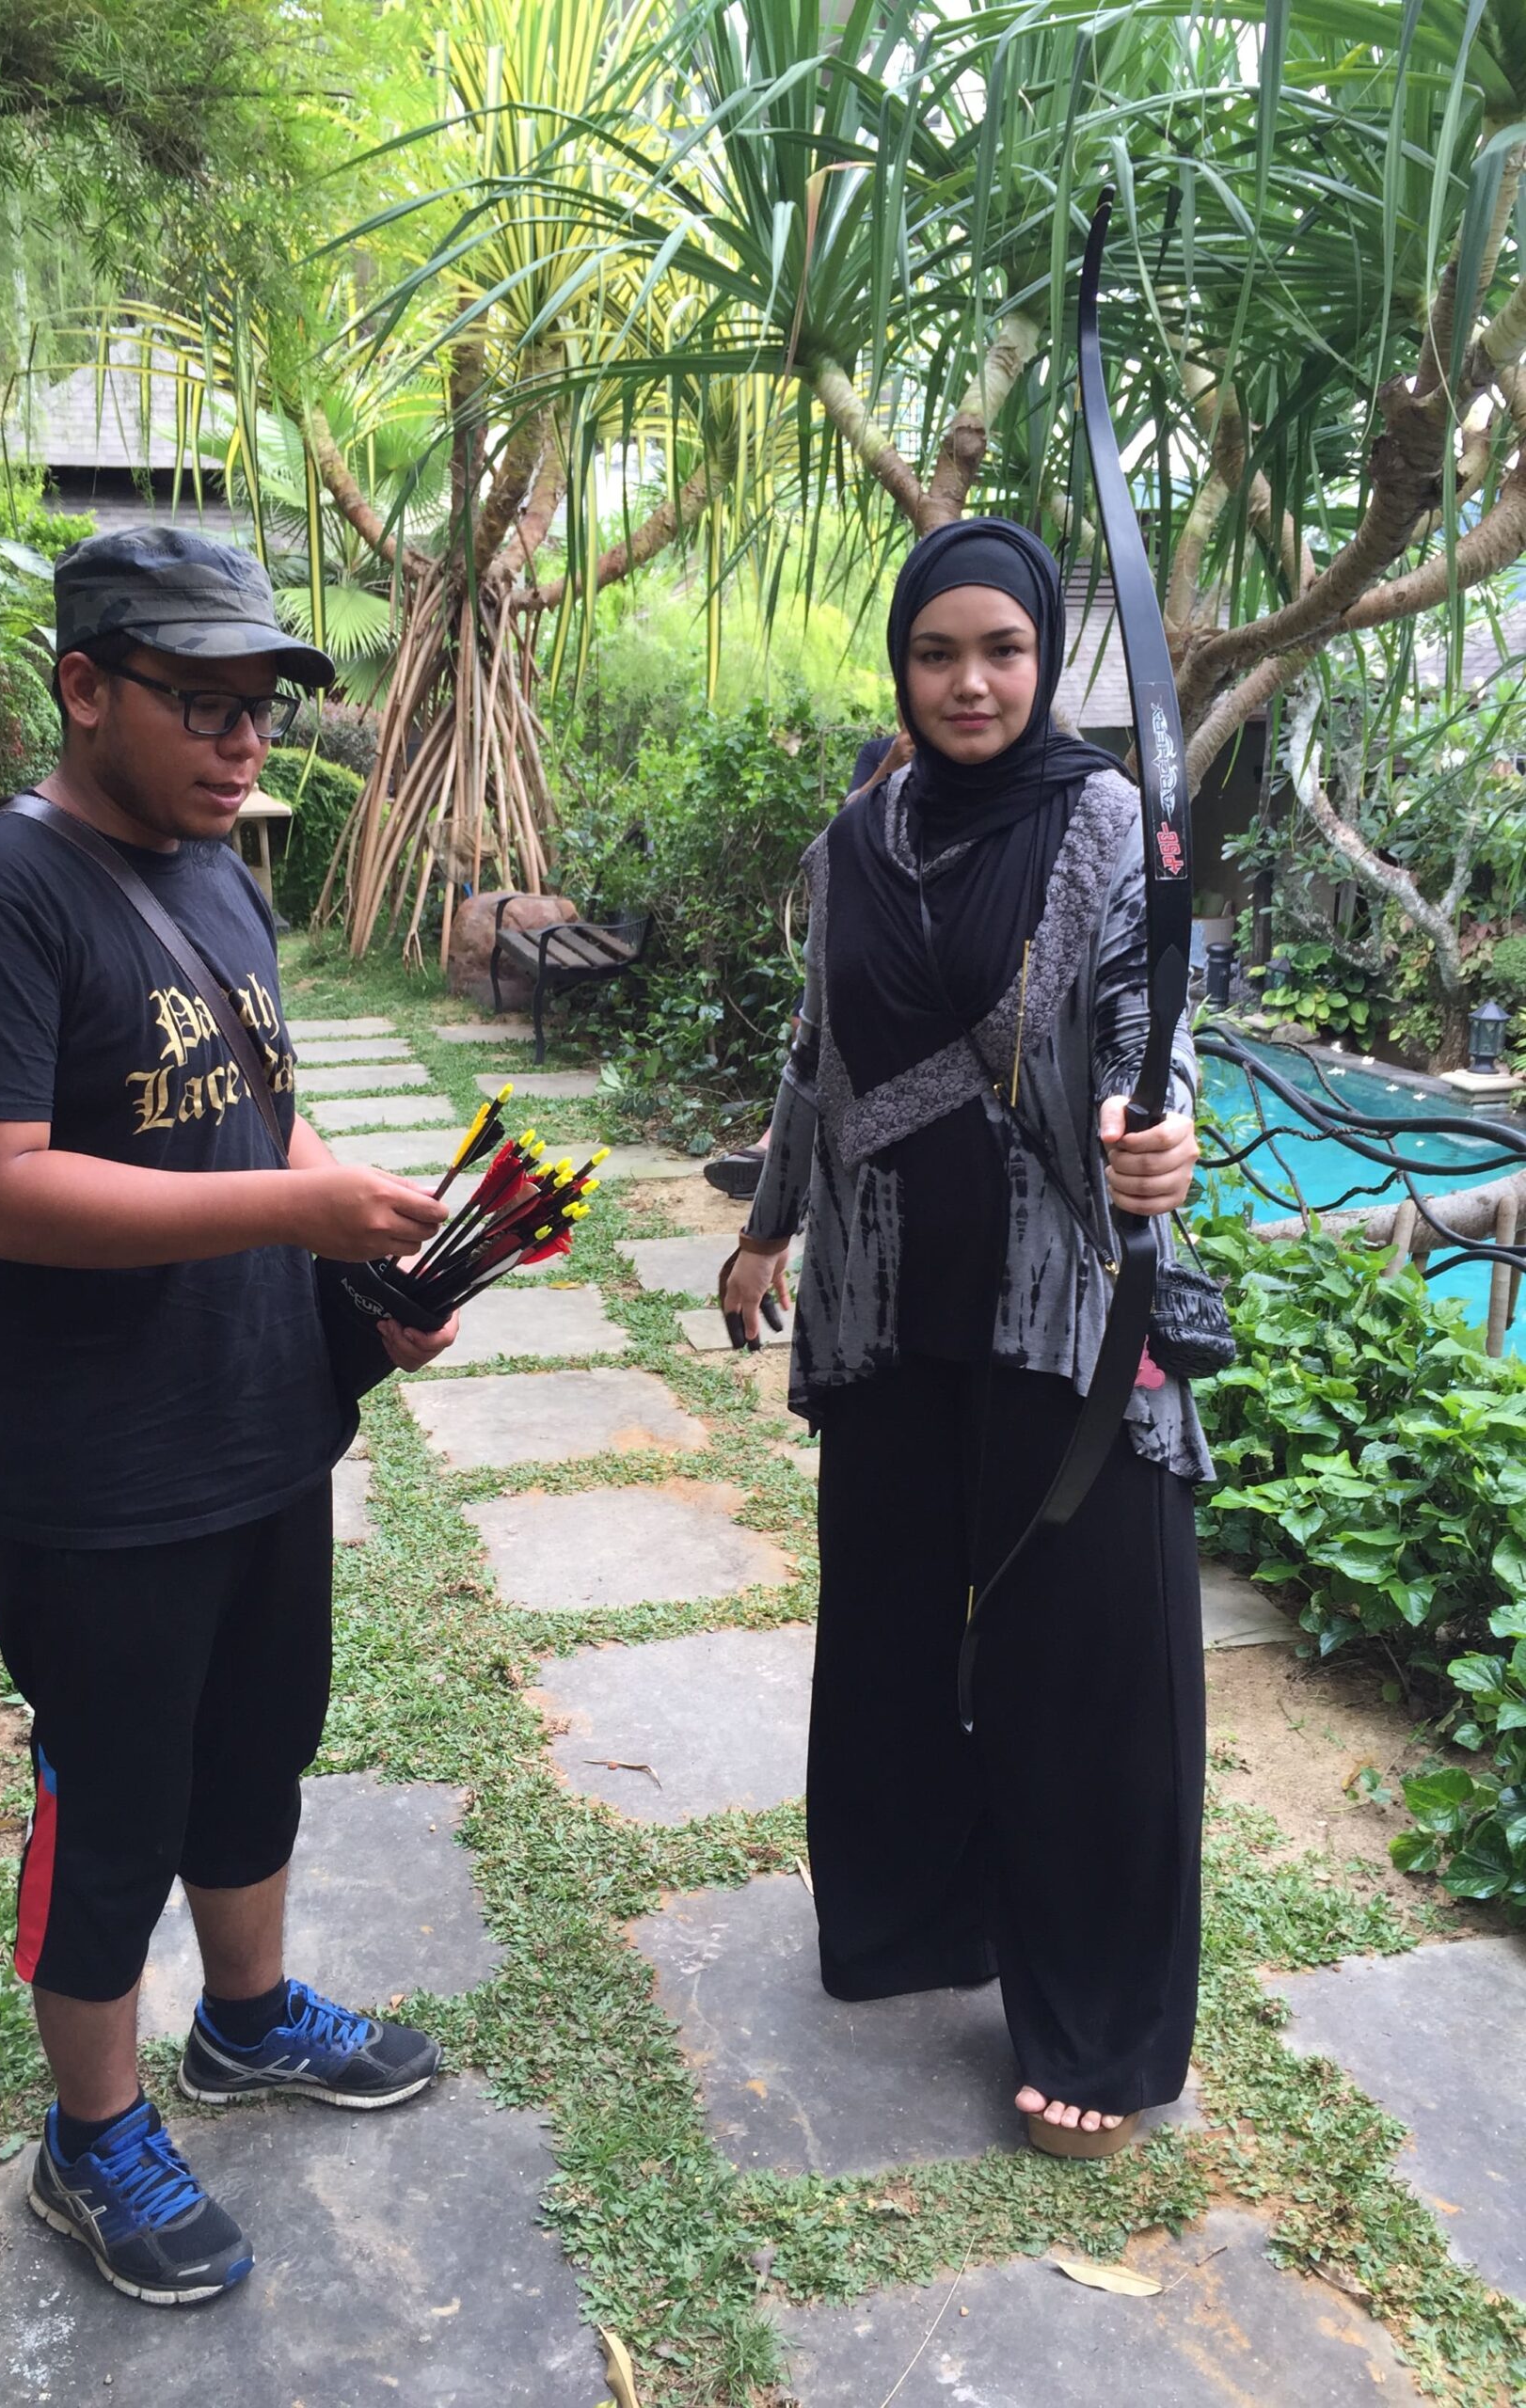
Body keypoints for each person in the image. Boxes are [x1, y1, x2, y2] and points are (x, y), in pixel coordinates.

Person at [0, 528, 460, 2305]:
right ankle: (93, 2133)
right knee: (114, 1799)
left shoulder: (217, 873)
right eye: (203, 705)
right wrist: (295, 1207)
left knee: (257, 1747)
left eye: (261, 708)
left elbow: (260, 1105)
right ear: (85, 687)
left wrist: (359, 1249)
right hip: (100, 1471)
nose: (243, 744)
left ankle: (251, 2018)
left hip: (260, 1413)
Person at [721, 518, 1207, 2158]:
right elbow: (818, 1051)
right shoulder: (858, 833)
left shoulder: (1108, 822)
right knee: (892, 1630)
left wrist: (1159, 1128)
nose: (972, 682)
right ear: (902, 666)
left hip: (1067, 1306)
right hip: (886, 1304)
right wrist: (768, 1224)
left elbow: (1149, 1019)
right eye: (939, 653)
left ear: (1046, 657)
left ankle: (1096, 2022)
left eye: (1003, 650)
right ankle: (918, 1915)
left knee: (1090, 1668)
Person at [703, 727, 914, 1204]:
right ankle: (780, 1155)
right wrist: (890, 766)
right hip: (862, 919)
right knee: (807, 1024)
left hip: (908, 935)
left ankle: (778, 1158)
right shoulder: (877, 752)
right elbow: (846, 822)